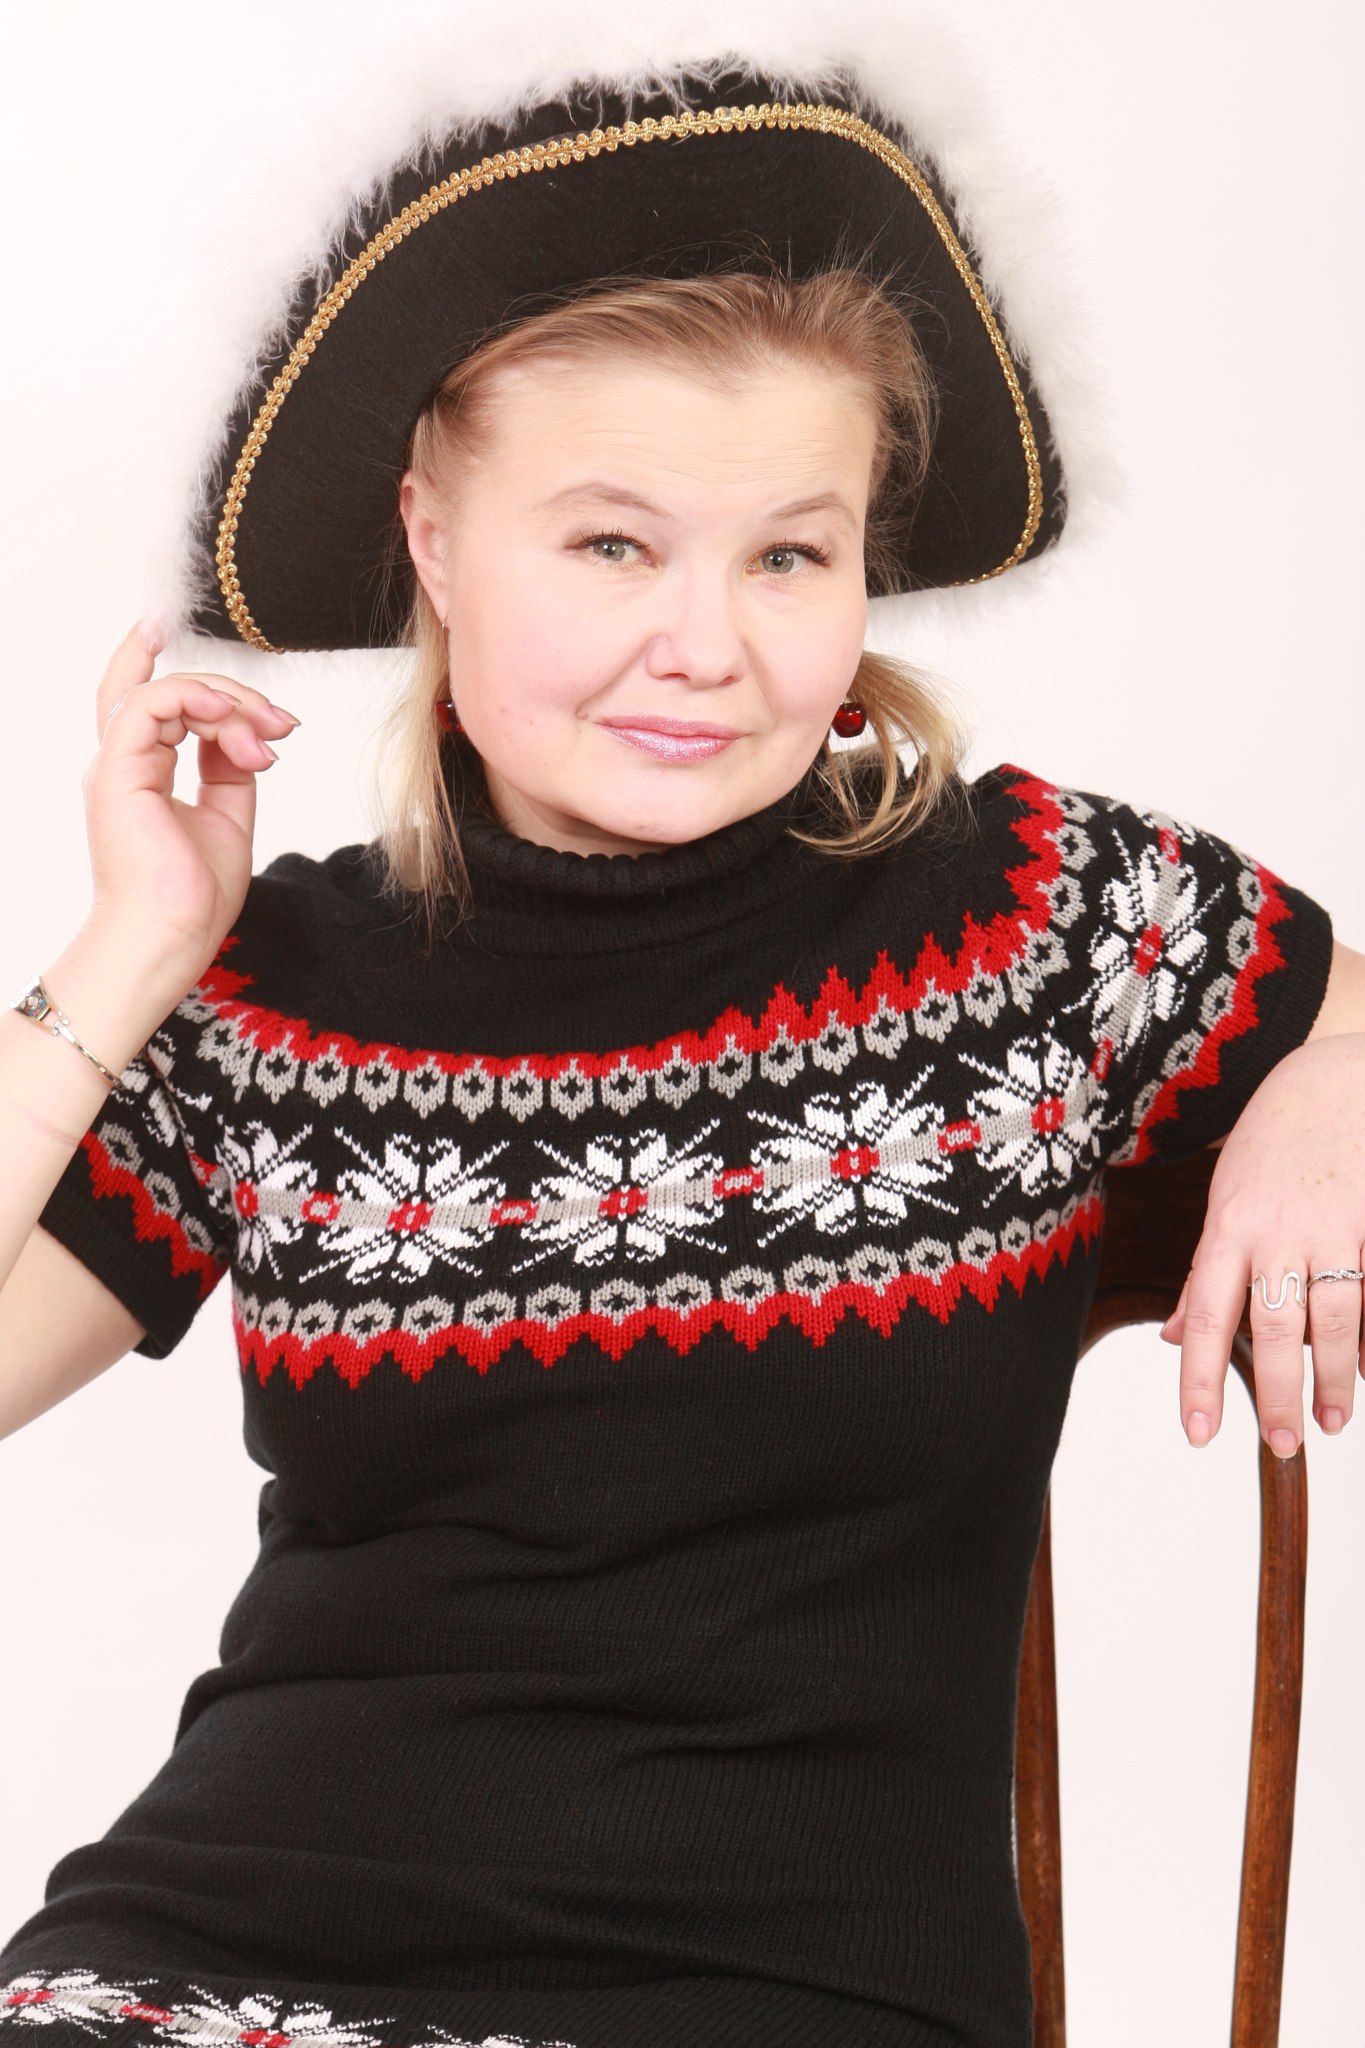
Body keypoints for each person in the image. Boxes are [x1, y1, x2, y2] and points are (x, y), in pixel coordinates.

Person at [0, 46, 1360, 2048]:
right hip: (224, 1955)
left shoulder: (1028, 926)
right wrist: (131, 949)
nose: (706, 646)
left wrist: (1338, 1084)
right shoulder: (279, 985)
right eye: (612, 546)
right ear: (433, 541)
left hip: (786, 1986)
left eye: (787, 554)